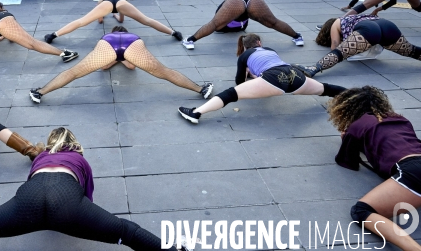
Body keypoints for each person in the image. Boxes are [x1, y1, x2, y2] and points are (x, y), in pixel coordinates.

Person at [0, 127, 192, 251]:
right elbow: (85, 192)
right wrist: (83, 217)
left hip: (29, 200)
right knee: (126, 232)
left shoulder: (41, 156)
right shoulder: (79, 159)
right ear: (75, 145)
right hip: (67, 199)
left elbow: (34, 180)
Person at [329, 86, 421, 251]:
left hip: (412, 170)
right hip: (416, 160)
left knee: (362, 211)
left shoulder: (356, 126)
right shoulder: (399, 118)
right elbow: (394, 143)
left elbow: (348, 162)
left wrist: (348, 138)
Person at [177, 34, 345, 123]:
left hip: (272, 79)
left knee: (230, 94)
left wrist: (250, 80)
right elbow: (272, 65)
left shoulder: (244, 56)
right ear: (259, 42)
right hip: (293, 74)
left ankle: (196, 113)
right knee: (325, 88)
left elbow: (239, 83)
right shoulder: (269, 49)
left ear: (244, 46)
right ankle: (357, 95)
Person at [31, 26, 211, 103]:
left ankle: (39, 92)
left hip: (106, 45)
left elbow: (103, 66)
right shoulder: (131, 37)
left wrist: (114, 58)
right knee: (164, 72)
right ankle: (200, 89)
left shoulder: (107, 37)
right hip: (133, 44)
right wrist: (123, 57)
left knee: (73, 72)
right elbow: (132, 66)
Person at [44, 0, 183, 43]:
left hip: (107, 5)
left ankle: (53, 35)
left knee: (82, 21)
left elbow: (99, 20)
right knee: (146, 20)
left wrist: (105, 14)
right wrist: (116, 15)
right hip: (122, 4)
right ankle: (173, 32)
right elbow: (122, 20)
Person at [297, 14, 421, 77]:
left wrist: (343, 47)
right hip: (387, 25)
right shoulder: (351, 18)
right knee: (411, 51)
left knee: (339, 53)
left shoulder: (336, 22)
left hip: (369, 30)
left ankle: (313, 69)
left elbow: (334, 47)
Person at [181, 0, 304, 49]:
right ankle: (297, 36)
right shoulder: (241, 22)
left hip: (235, 1)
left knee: (215, 24)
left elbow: (216, 24)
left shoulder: (224, 23)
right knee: (273, 22)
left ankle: (190, 40)